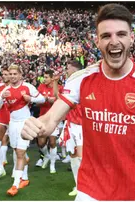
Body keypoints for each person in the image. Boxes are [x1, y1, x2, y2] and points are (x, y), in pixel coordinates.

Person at [21, 4, 135, 201]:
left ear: (131, 39)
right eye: (106, 36)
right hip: (90, 190)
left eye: (121, 34)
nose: (114, 41)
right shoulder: (81, 79)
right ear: (97, 41)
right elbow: (50, 119)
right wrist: (37, 126)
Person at [0, 65, 45, 196]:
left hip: (25, 122)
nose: (12, 76)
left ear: (20, 75)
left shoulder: (28, 86)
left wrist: (31, 99)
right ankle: (25, 178)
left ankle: (15, 184)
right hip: (12, 123)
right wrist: (1, 98)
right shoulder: (5, 89)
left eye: (15, 74)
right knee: (17, 152)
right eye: (10, 74)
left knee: (21, 153)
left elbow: (42, 99)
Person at [62, 60, 83, 196]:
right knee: (73, 155)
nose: (66, 71)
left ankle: (86, 185)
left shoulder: (84, 82)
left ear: (75, 69)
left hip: (83, 124)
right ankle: (78, 185)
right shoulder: (68, 83)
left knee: (82, 157)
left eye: (68, 68)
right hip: (71, 123)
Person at [36, 69, 63, 173]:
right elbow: (37, 104)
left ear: (52, 78)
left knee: (52, 142)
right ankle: (46, 156)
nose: (44, 79)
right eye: (44, 77)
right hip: (42, 117)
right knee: (41, 143)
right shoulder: (41, 87)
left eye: (46, 77)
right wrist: (44, 99)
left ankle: (52, 165)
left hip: (54, 118)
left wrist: (54, 101)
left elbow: (62, 103)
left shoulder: (59, 88)